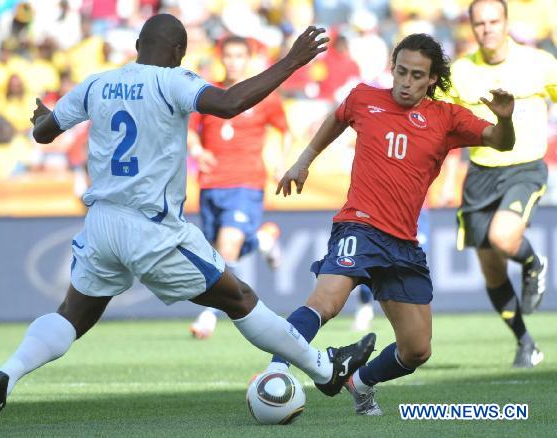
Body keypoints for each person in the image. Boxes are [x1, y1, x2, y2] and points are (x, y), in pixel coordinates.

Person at [0, 15, 377, 435]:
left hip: (102, 224)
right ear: (179, 51)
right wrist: (291, 62)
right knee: (239, 298)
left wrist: (43, 118)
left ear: (139, 43)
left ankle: (6, 375)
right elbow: (230, 103)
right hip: (152, 228)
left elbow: (44, 133)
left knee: (72, 315)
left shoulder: (96, 83)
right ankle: (326, 371)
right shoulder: (173, 80)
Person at [267, 33, 516, 416]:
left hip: (403, 244)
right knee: (326, 301)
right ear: (393, 67)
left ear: (432, 79)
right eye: (401, 72)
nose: (406, 82)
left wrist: (505, 118)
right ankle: (275, 372)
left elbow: (500, 142)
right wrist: (303, 161)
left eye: (417, 75)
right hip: (359, 227)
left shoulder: (446, 117)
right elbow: (335, 121)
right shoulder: (364, 98)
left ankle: (360, 383)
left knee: (417, 349)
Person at [450, 0, 557, 367]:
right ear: (471, 27)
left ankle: (533, 264)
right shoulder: (461, 71)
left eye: (494, 21)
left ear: (506, 22)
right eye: (479, 23)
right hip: (480, 172)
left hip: (524, 167)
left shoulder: (540, 63)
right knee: (491, 268)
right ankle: (526, 342)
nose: (487, 28)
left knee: (502, 236)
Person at [188, 35, 290, 339]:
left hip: (246, 182)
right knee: (218, 253)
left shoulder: (263, 95)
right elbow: (191, 131)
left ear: (248, 59)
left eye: (238, 56)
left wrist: (281, 162)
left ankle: (208, 315)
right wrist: (196, 151)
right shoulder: (207, 93)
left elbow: (284, 130)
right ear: (221, 58)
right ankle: (262, 239)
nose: (233, 61)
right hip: (210, 184)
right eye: (228, 56)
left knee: (227, 245)